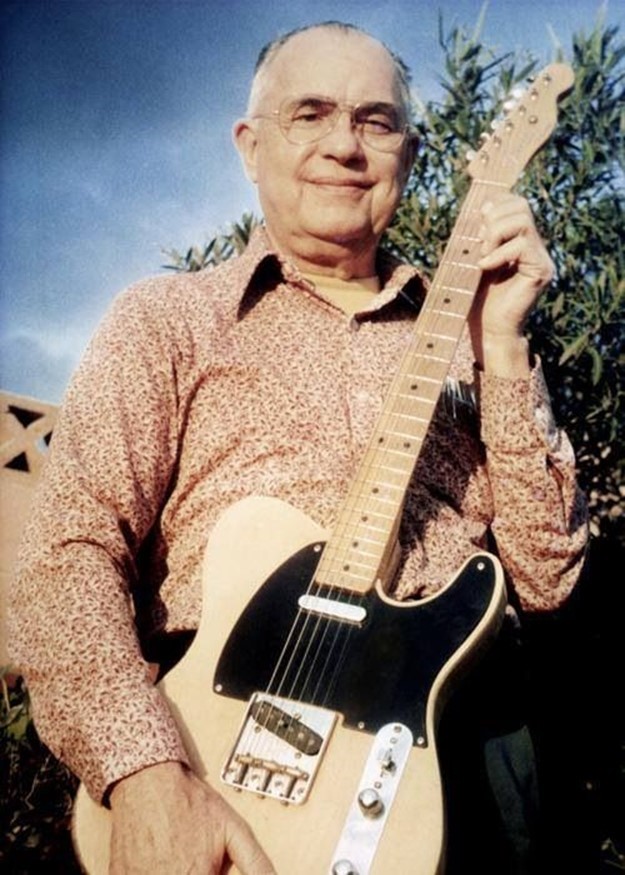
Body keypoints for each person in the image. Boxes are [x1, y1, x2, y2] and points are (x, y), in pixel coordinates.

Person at [9, 20, 587, 874]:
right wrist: (143, 770)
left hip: (455, 744)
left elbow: (545, 579)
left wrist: (501, 344)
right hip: (208, 738)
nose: (344, 146)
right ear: (250, 145)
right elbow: (68, 553)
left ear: (412, 154)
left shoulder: (473, 329)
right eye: (309, 113)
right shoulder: (166, 319)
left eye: (375, 121)